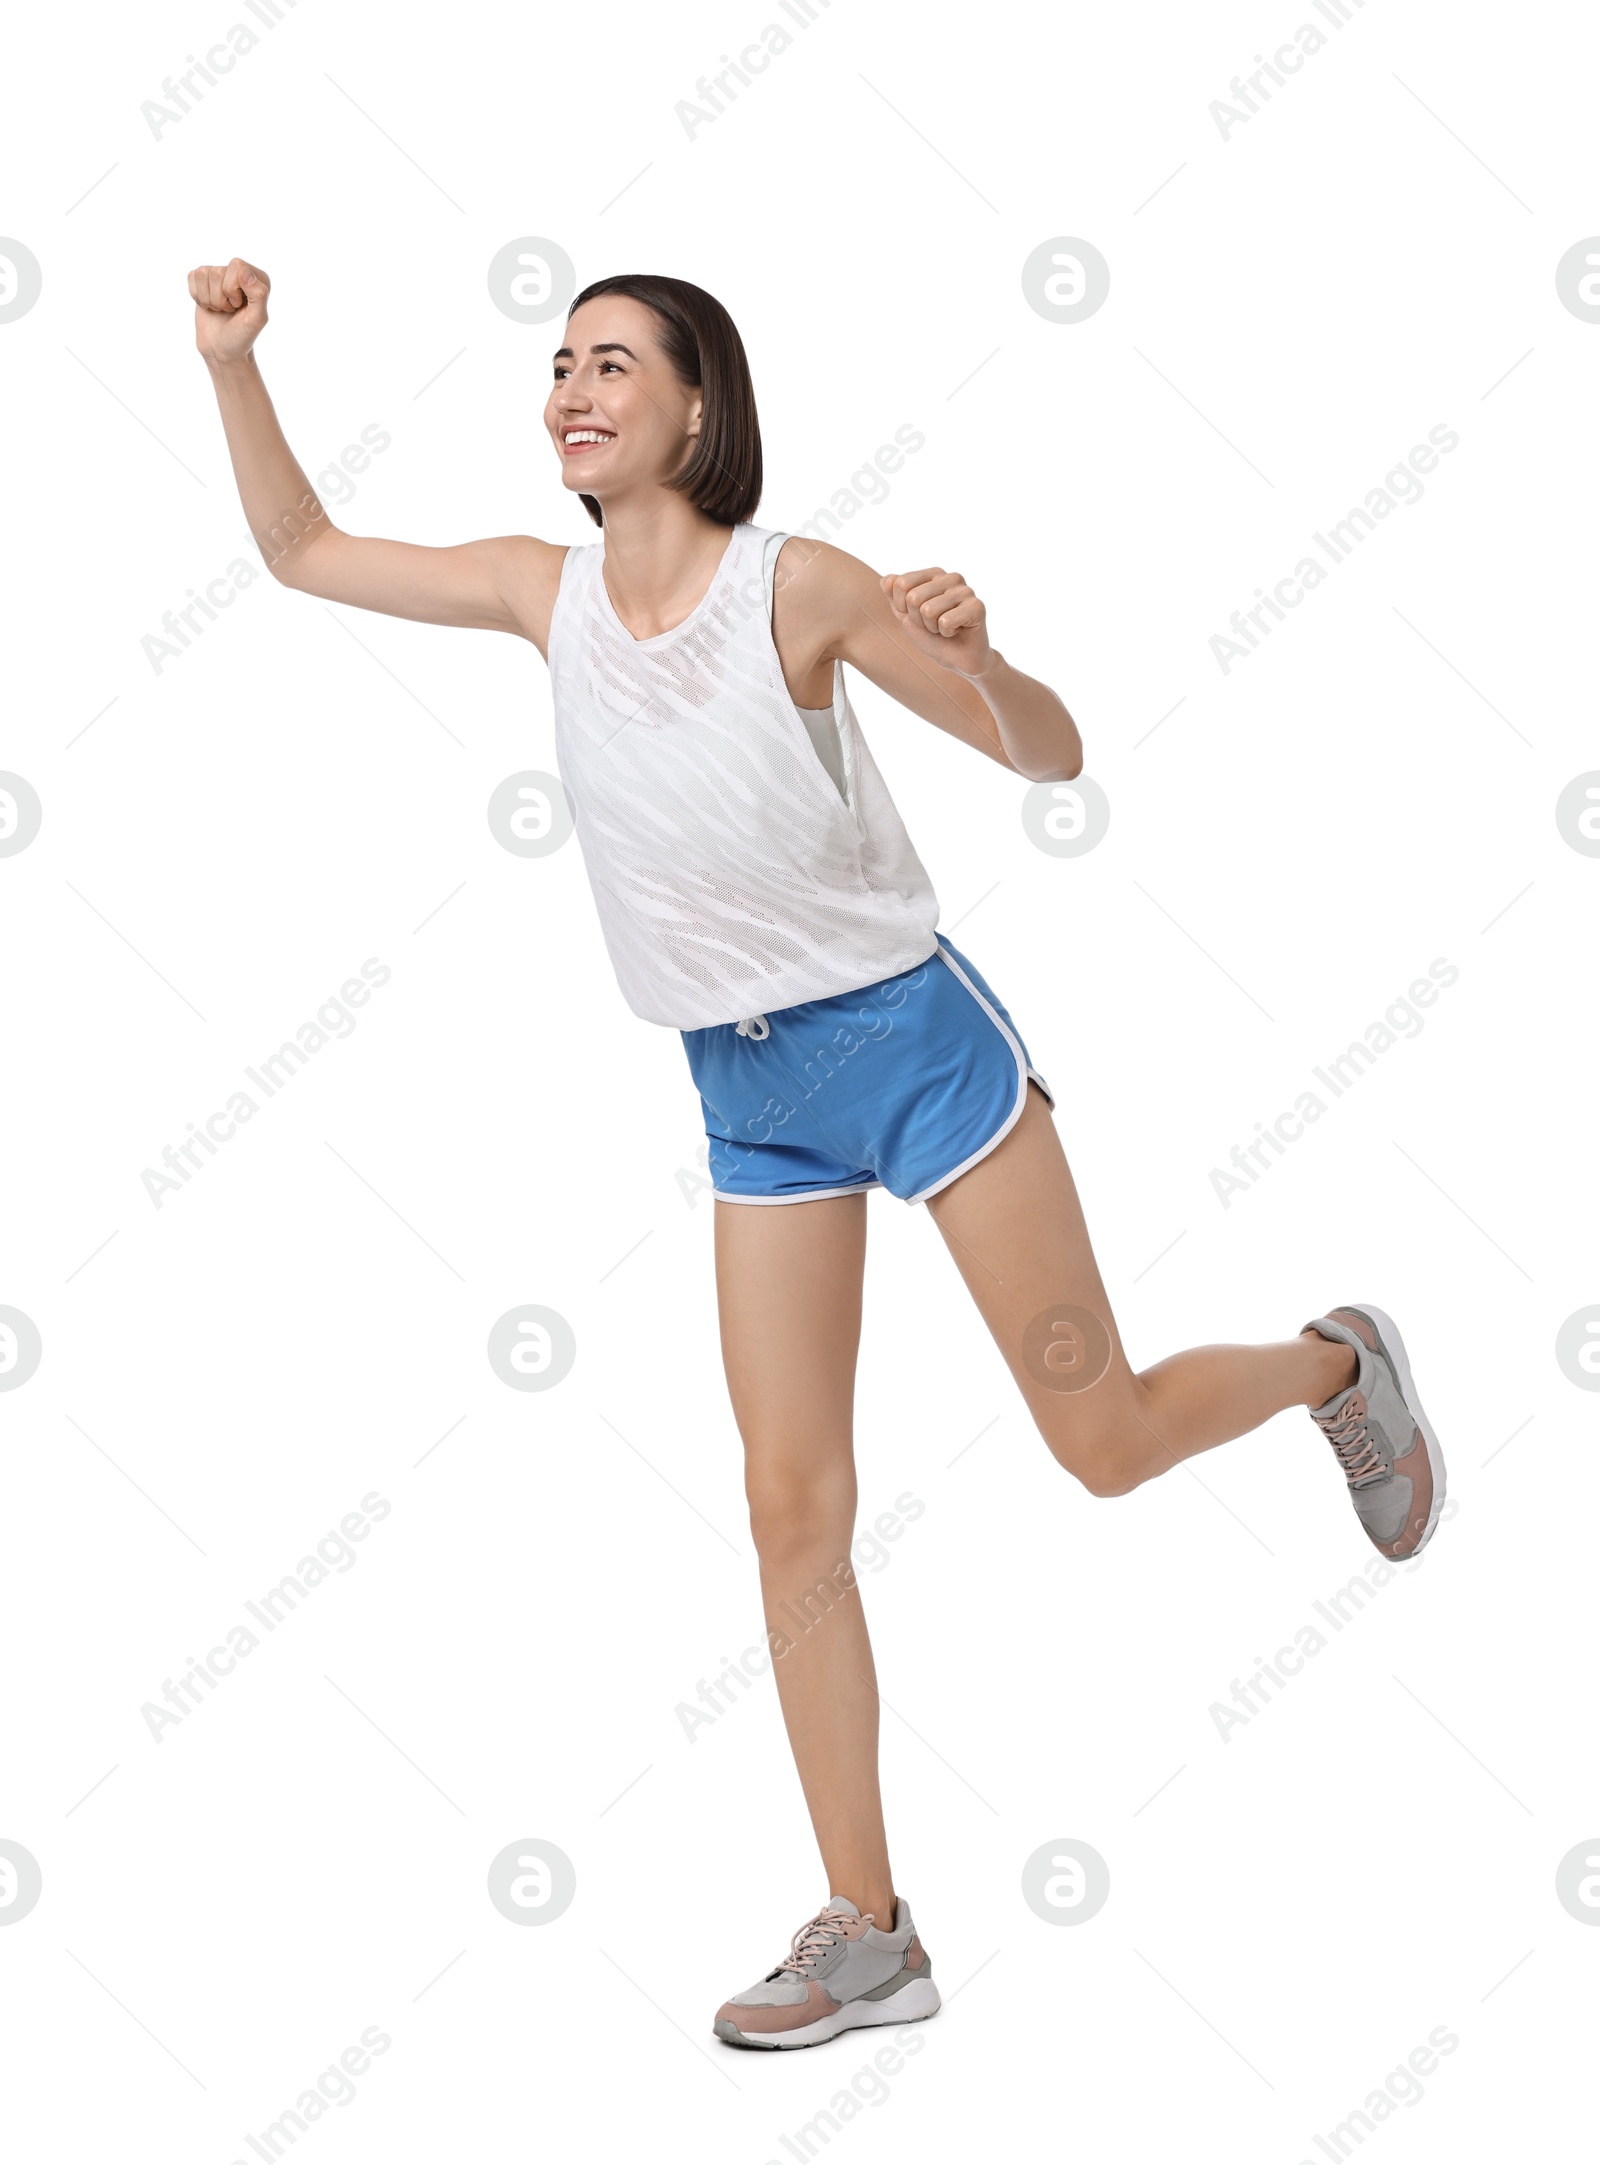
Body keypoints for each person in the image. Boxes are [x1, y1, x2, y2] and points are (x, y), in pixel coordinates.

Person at [190, 260, 1447, 2053]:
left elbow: (1053, 758)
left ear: (698, 410)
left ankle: (1342, 1365)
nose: (572, 389)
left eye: (613, 364)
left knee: (1099, 1443)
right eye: (559, 365)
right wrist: (234, 364)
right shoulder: (533, 593)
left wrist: (984, 651)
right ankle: (872, 1928)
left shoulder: (804, 590)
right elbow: (303, 546)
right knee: (793, 1500)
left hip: (919, 1052)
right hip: (749, 1093)